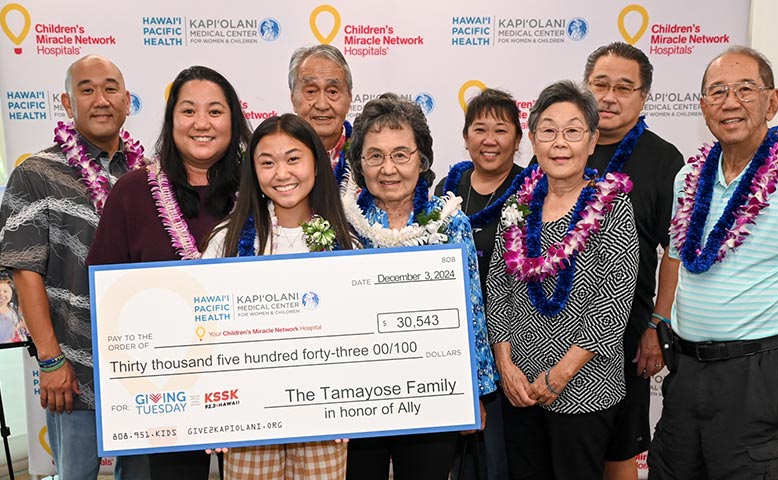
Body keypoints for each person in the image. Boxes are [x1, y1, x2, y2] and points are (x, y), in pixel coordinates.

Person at [648, 46, 778, 480]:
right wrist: (658, 322)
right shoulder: (689, 178)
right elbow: (677, 260)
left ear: (772, 102)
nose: (730, 101)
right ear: (702, 106)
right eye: (717, 91)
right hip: (686, 371)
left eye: (745, 89)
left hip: (758, 378)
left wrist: (767, 348)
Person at [86, 65, 251, 479]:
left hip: (250, 385)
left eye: (215, 111)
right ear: (170, 119)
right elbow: (106, 293)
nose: (201, 123)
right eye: (188, 111)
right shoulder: (133, 191)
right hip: (164, 393)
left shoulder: (260, 187)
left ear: (234, 119)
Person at [0, 55, 147, 480]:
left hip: (140, 368)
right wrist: (50, 361)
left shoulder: (149, 174)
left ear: (126, 101)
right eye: (86, 89)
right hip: (72, 369)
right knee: (76, 475)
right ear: (67, 102)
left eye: (110, 88)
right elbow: (24, 271)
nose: (101, 100)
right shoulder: (35, 174)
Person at [486, 80, 639, 480]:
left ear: (591, 142)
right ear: (533, 140)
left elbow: (613, 305)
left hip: (585, 387)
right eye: (549, 131)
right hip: (520, 389)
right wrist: (505, 364)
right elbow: (499, 291)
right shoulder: (517, 208)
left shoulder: (611, 208)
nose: (560, 143)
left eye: (573, 131)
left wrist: (559, 375)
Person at [341, 94, 497, 479]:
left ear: (422, 160)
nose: (388, 168)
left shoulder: (448, 223)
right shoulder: (343, 222)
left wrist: (472, 392)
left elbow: (471, 309)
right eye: (374, 156)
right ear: (359, 164)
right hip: (359, 399)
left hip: (431, 395)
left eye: (401, 154)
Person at [201, 113, 356, 479]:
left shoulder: (346, 241)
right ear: (253, 172)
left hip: (323, 420)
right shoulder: (228, 239)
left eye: (293, 159)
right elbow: (204, 326)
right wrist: (209, 413)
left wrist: (354, 404)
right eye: (267, 163)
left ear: (316, 165)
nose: (281, 173)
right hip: (248, 420)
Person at [581, 42, 684, 480]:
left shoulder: (664, 160)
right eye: (600, 84)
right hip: (552, 331)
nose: (609, 96)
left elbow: (674, 254)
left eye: (624, 87)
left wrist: (656, 324)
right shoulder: (561, 148)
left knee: (619, 451)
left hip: (625, 333)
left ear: (644, 97)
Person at [435, 88, 531, 480]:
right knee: (456, 456)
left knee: (502, 457)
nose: (489, 140)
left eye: (500, 130)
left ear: (518, 139)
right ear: (465, 136)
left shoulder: (533, 192)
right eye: (479, 129)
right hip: (456, 341)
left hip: (513, 340)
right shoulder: (447, 191)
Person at [289, 44, 353, 180]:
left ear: (349, 99)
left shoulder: (368, 154)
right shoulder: (275, 155)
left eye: (332, 92)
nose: (322, 105)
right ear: (293, 100)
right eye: (311, 91)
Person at [0, 277, 24, 343]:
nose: (1, 294)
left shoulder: (15, 308)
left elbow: (22, 324)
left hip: (13, 344)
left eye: (5, 291)